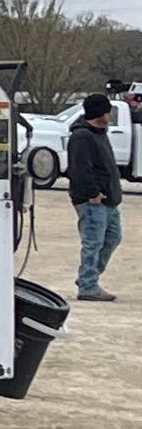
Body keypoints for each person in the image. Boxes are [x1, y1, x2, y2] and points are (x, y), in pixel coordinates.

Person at [68, 92, 123, 301]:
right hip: (93, 201)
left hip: (109, 201)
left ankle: (87, 278)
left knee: (113, 237)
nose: (109, 114)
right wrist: (93, 193)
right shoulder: (82, 136)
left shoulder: (100, 133)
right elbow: (80, 169)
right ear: (100, 112)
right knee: (93, 242)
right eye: (107, 110)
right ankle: (88, 286)